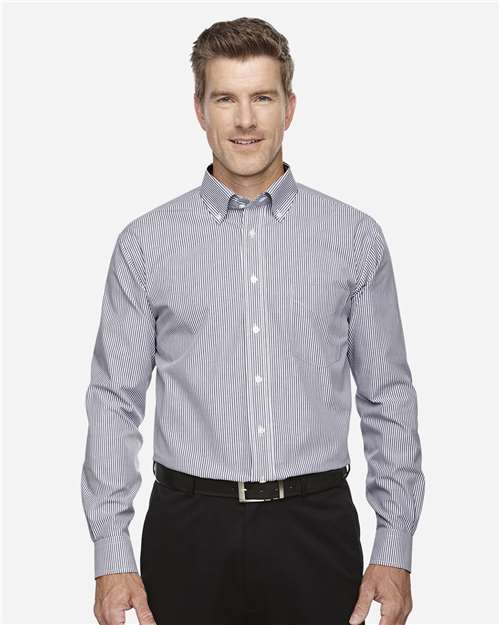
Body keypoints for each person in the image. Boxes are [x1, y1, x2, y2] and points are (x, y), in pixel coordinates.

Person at [81, 16, 425, 625]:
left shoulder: (354, 239)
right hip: (187, 530)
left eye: (262, 97)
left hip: (314, 529)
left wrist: (394, 547)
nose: (245, 120)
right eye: (226, 99)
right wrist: (112, 554)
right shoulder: (145, 245)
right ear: (200, 110)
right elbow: (114, 401)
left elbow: (388, 396)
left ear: (289, 107)